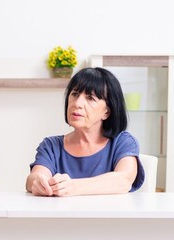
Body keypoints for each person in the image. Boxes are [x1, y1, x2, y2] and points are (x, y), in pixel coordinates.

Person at [26, 67, 144, 197]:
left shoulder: (122, 142)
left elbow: (123, 180)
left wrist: (73, 187)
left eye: (90, 98)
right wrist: (38, 183)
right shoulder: (51, 145)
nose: (77, 103)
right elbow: (34, 178)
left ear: (107, 112)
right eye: (75, 94)